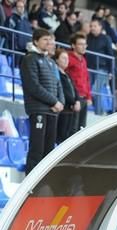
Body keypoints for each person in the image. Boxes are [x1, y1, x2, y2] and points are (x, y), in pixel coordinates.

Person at [20, 28, 64, 174]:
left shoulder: (50, 62)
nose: (48, 42)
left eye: (50, 40)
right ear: (35, 41)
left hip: (52, 111)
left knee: (48, 152)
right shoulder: (29, 59)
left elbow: (58, 84)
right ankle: (30, 185)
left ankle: (43, 184)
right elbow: (33, 86)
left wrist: (60, 102)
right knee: (36, 150)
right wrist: (54, 102)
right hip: (38, 110)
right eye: (45, 39)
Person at [86, 18, 113, 115]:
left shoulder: (106, 38)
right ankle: (96, 112)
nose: (92, 28)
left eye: (95, 26)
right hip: (88, 68)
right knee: (89, 90)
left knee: (95, 90)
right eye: (91, 26)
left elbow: (110, 55)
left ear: (100, 27)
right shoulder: (87, 37)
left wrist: (110, 71)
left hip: (102, 69)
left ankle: (99, 113)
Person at [54, 48, 79, 144]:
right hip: (63, 110)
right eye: (63, 58)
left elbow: (74, 90)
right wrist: (73, 102)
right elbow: (63, 90)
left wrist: (77, 100)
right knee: (61, 137)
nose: (66, 61)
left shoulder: (67, 74)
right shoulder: (57, 73)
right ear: (57, 59)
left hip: (70, 110)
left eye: (67, 58)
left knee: (68, 137)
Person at [66, 32, 91, 131]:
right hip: (74, 98)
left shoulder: (84, 60)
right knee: (73, 128)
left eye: (85, 44)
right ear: (73, 45)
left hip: (84, 98)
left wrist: (89, 96)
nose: (84, 47)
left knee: (82, 128)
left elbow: (87, 79)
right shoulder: (68, 58)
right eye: (80, 44)